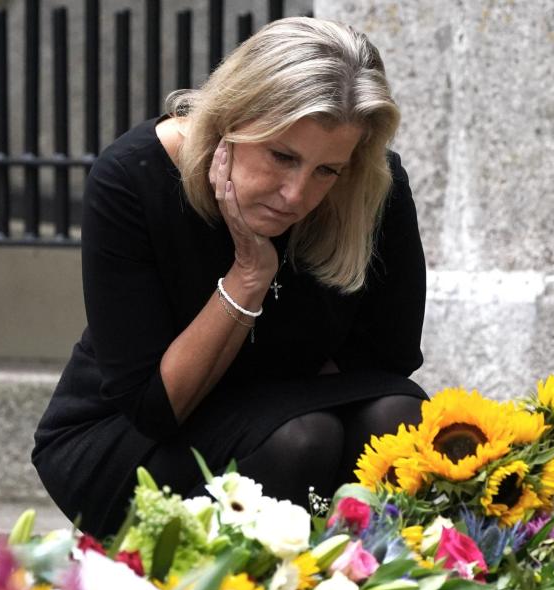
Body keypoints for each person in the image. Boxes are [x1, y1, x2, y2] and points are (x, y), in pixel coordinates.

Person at [32, 16, 427, 538]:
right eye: (281, 156)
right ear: (231, 122)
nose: (296, 194)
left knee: (398, 416)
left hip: (285, 407)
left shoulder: (371, 183)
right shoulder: (133, 177)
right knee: (301, 437)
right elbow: (154, 406)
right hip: (128, 436)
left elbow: (390, 358)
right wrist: (249, 275)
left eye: (325, 170)